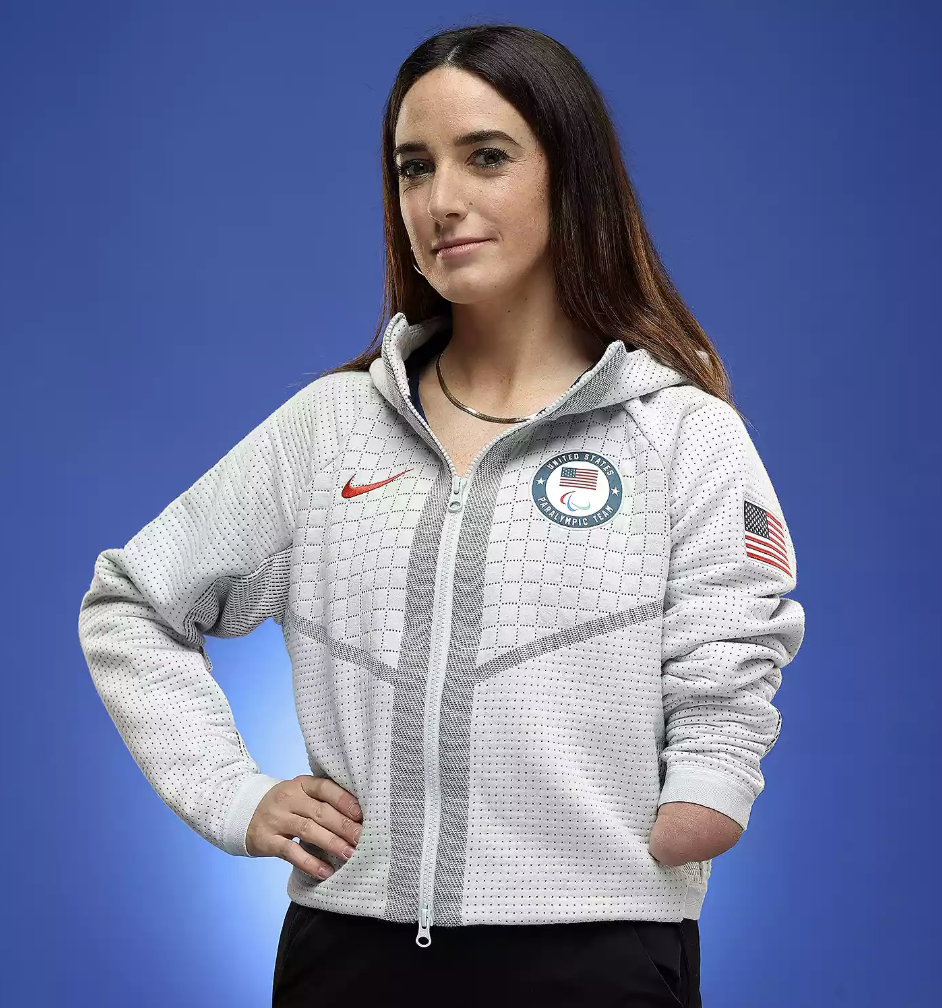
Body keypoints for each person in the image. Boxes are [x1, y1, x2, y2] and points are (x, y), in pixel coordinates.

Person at [77, 23, 806, 1008]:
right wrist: (231, 794)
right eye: (413, 168)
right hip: (351, 957)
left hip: (599, 952)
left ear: (572, 178)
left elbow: (736, 630)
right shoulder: (332, 428)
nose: (440, 201)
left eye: (486, 157)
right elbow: (132, 601)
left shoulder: (680, 432)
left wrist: (712, 781)